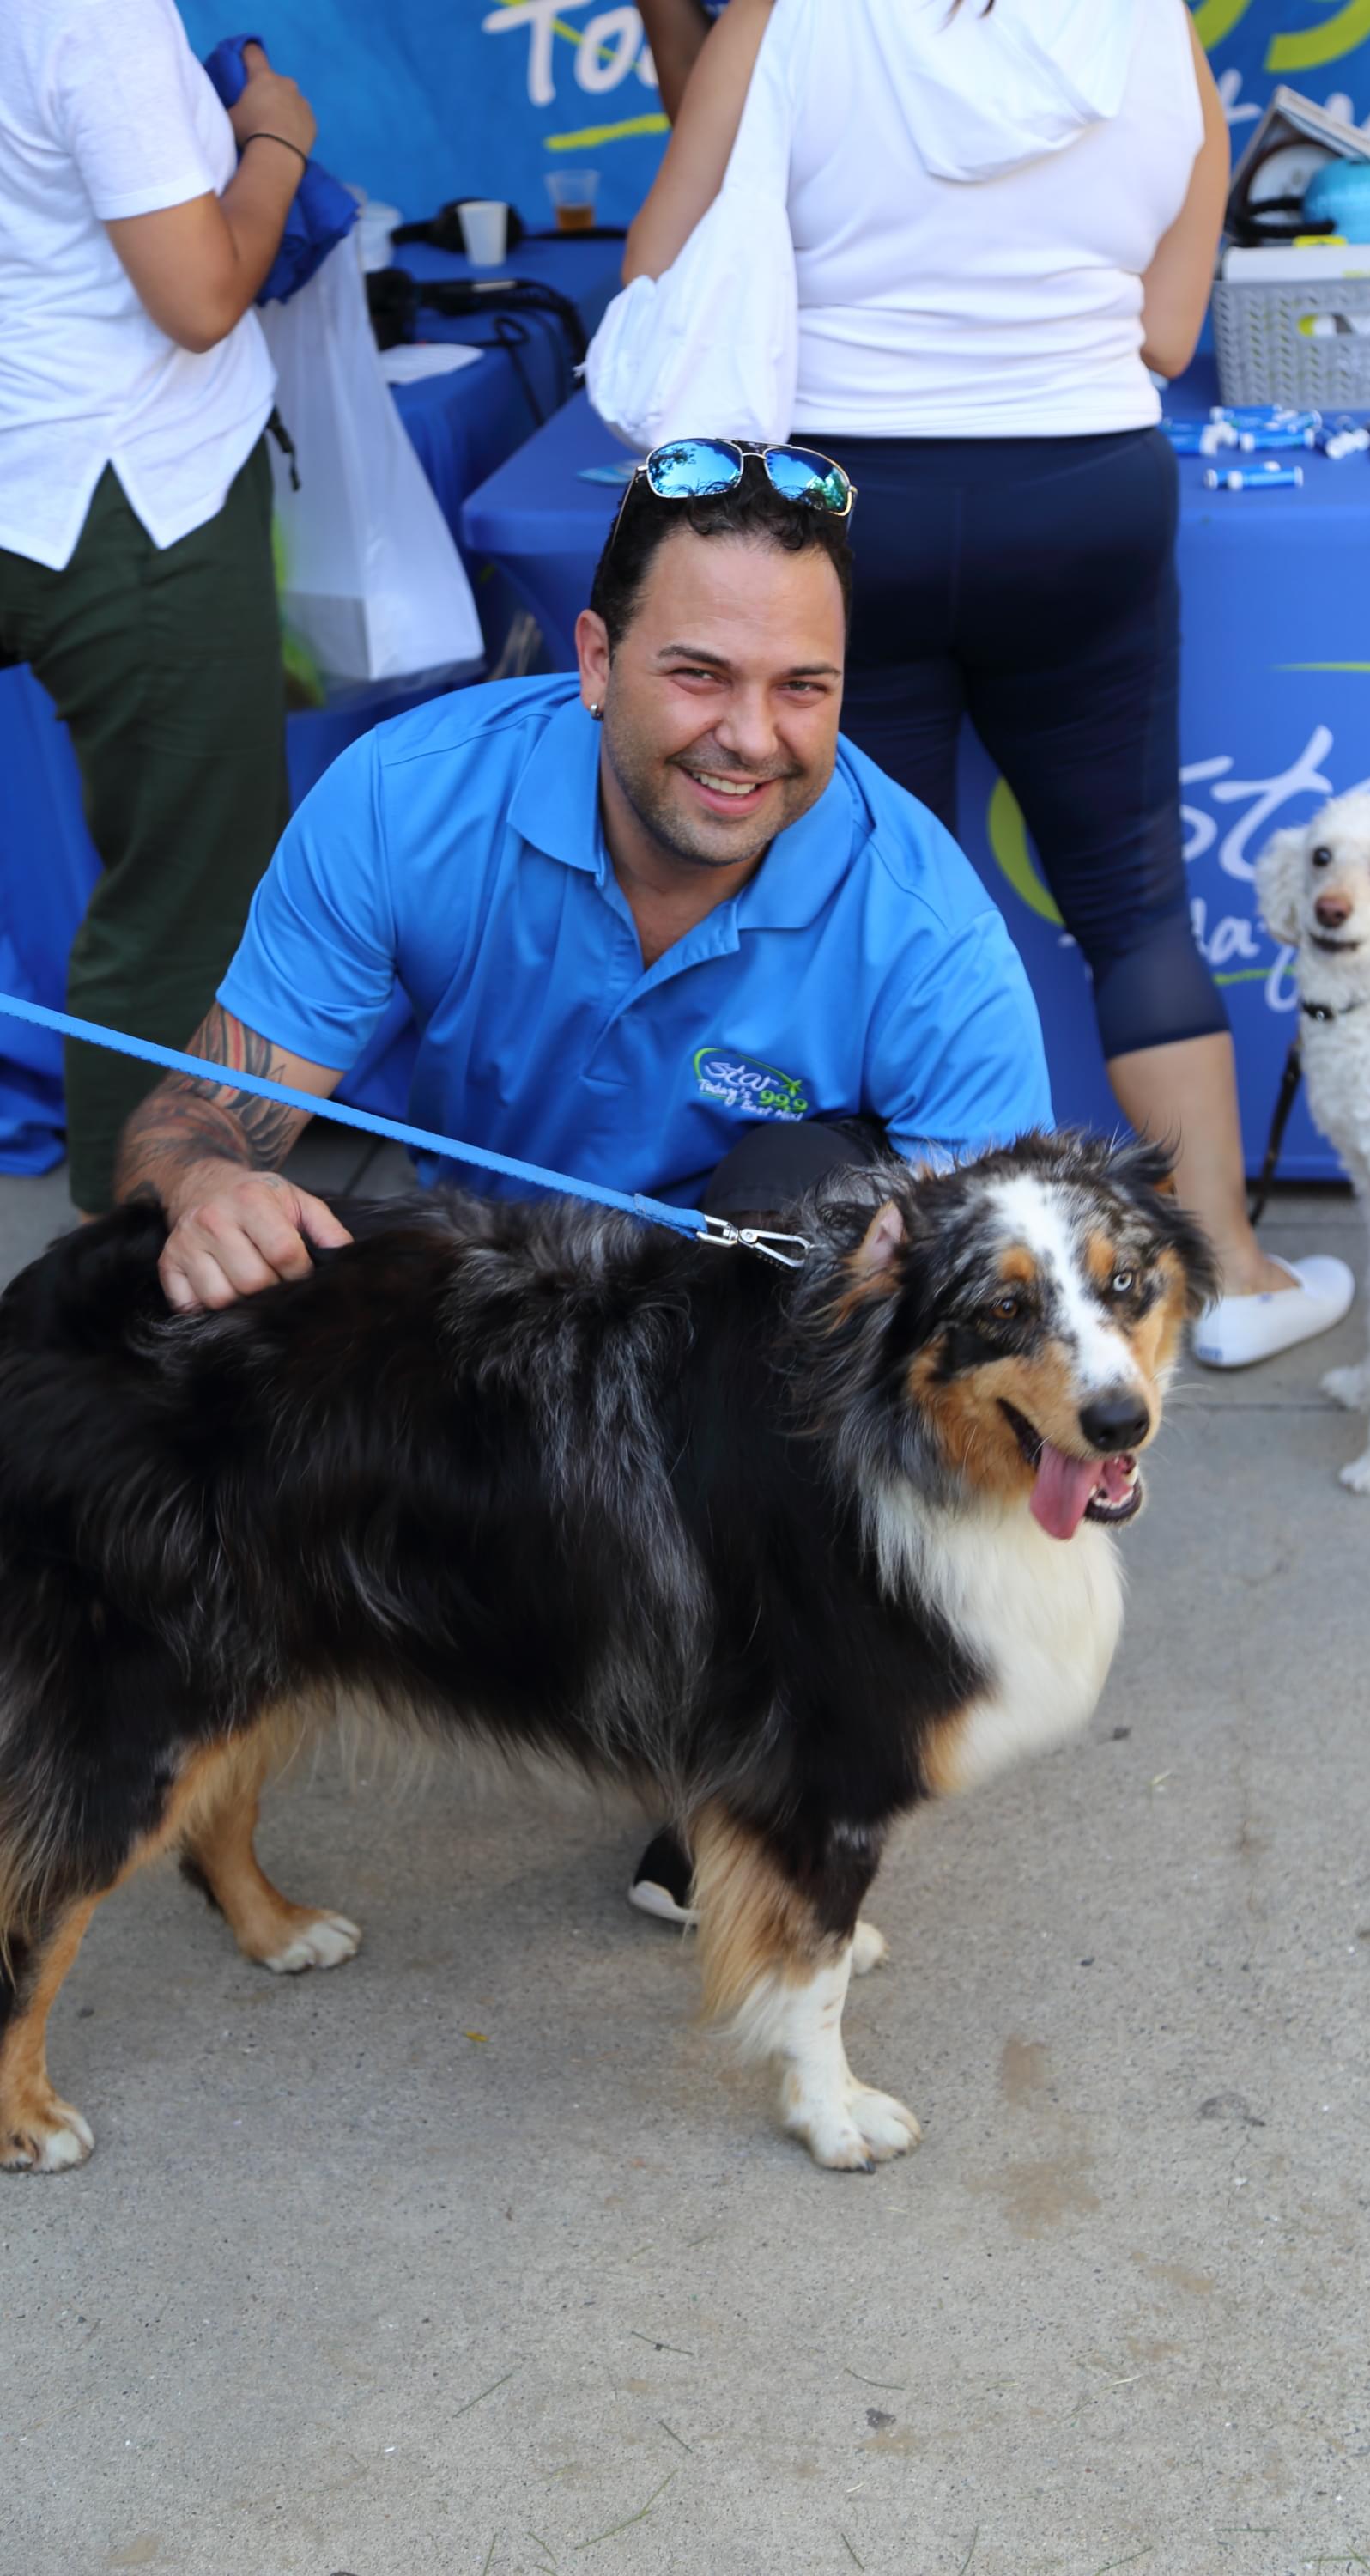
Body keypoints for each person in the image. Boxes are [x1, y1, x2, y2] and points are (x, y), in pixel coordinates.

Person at [113, 448, 1054, 1915]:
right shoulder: (410, 798)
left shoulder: (923, 919)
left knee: (809, 1194)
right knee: (227, 1273)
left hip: (749, 1334)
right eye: (699, 675)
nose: (751, 738)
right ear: (596, 660)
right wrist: (205, 1186)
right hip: (494, 1290)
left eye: (804, 686)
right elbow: (192, 1121)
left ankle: (759, 1745)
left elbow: (1012, 1296)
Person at [624, 0, 1354, 1370]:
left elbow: (662, 263)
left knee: (873, 903)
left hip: (850, 516)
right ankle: (1230, 1275)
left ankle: (916, 1284)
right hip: (1082, 493)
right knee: (1132, 899)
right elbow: (1169, 330)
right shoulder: (1152, 28)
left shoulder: (784, 20)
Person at [0, 2, 317, 1216]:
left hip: (52, 468)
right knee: (185, 896)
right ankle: (135, 1285)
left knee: (165, 878)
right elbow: (196, 297)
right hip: (125, 489)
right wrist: (275, 144)